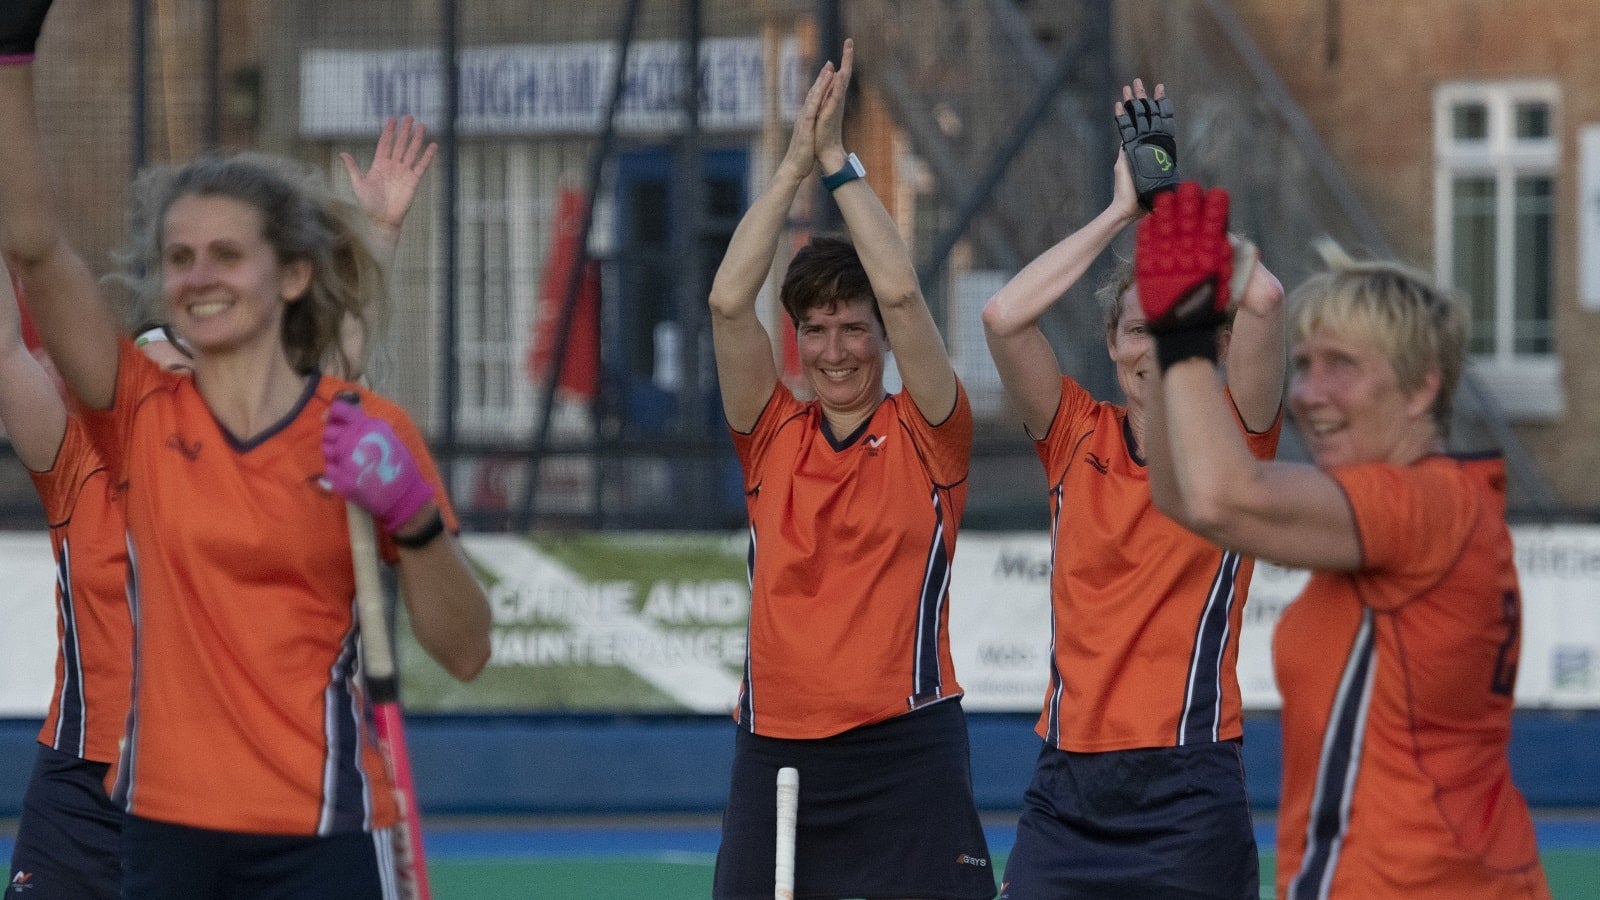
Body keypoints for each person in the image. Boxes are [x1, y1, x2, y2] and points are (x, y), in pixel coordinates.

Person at [0, 9, 491, 896]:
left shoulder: (360, 430)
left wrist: (417, 524)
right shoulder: (136, 421)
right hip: (160, 825)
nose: (199, 277)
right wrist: (10, 60)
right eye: (180, 257)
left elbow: (465, 652)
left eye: (227, 254)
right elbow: (35, 250)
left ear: (291, 276)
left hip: (319, 824)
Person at [1136, 184, 1550, 898]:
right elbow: (1184, 498)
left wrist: (1187, 340)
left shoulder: (1421, 505)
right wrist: (1176, 349)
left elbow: (1222, 494)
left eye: (1341, 366)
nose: (1306, 392)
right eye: (1303, 364)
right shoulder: (1410, 514)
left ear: (1422, 389)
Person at [980, 80, 1285, 898]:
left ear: (1204, 337)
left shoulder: (1234, 432)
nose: (1151, 342)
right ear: (1114, 346)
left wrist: (1171, 203)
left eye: (1169, 319)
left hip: (1188, 782)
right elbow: (1005, 317)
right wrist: (1121, 213)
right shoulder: (1077, 432)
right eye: (1133, 325)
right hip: (1067, 785)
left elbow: (1266, 299)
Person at [707, 39, 995, 900]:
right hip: (777, 753)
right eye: (816, 329)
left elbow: (904, 293)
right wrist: (794, 163)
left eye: (852, 327)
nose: (835, 350)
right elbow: (728, 301)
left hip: (905, 751)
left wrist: (839, 166)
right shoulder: (771, 435)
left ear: (879, 337)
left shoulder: (929, 434)